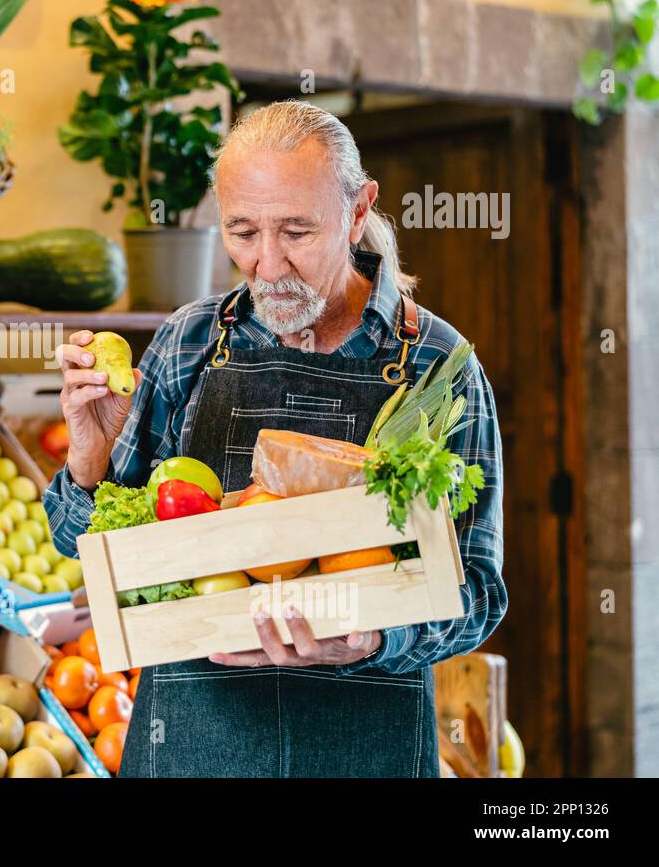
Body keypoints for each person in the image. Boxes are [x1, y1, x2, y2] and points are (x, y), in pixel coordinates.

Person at [43, 100, 507, 778]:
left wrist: (374, 638)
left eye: (296, 231)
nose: (266, 264)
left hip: (365, 753)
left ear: (357, 211)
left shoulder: (440, 368)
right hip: (192, 746)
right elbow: (84, 553)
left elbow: (480, 591)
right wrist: (89, 463)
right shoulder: (188, 345)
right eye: (242, 231)